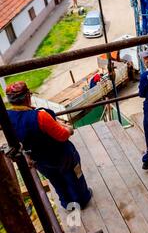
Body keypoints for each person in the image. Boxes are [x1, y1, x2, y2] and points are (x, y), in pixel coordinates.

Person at [6, 81, 92, 210]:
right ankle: (82, 199)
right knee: (74, 176)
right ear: (28, 97)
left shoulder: (7, 117)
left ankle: (67, 204)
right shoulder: (41, 116)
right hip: (61, 155)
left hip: (39, 159)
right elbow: (62, 135)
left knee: (56, 181)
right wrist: (69, 129)